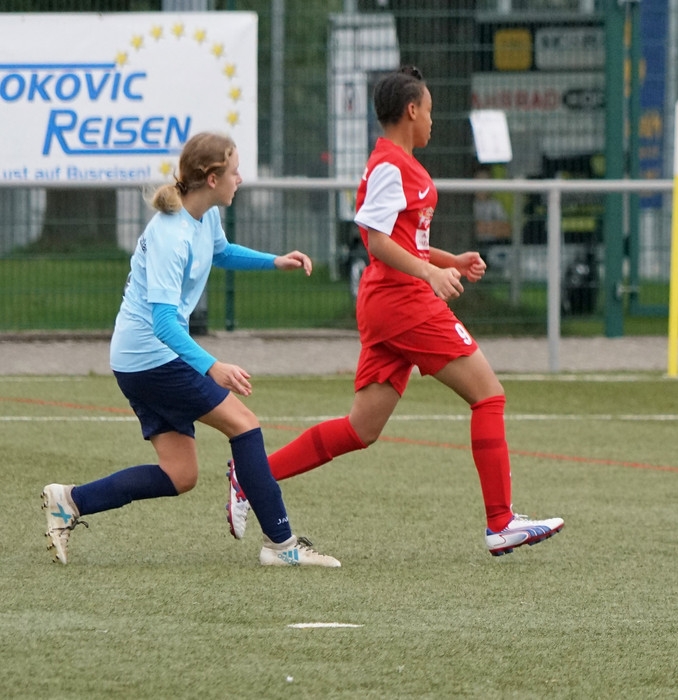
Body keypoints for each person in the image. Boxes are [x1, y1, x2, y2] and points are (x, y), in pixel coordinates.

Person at [226, 66, 563, 557]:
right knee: (489, 396)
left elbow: (406, 240)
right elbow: (377, 241)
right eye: (428, 110)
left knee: (361, 428)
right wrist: (429, 275)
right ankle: (501, 522)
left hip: (390, 303)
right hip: (404, 302)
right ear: (410, 110)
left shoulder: (397, 163)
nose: (432, 120)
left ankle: (251, 476)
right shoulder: (390, 164)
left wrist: (449, 261)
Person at [41, 132, 339, 568]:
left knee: (180, 474)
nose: (241, 178)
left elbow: (222, 252)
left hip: (142, 359)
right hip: (150, 358)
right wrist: (211, 365)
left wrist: (274, 261)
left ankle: (70, 501)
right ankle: (281, 545)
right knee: (244, 425)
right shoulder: (170, 234)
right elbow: (163, 323)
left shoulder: (204, 216)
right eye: (235, 171)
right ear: (212, 178)